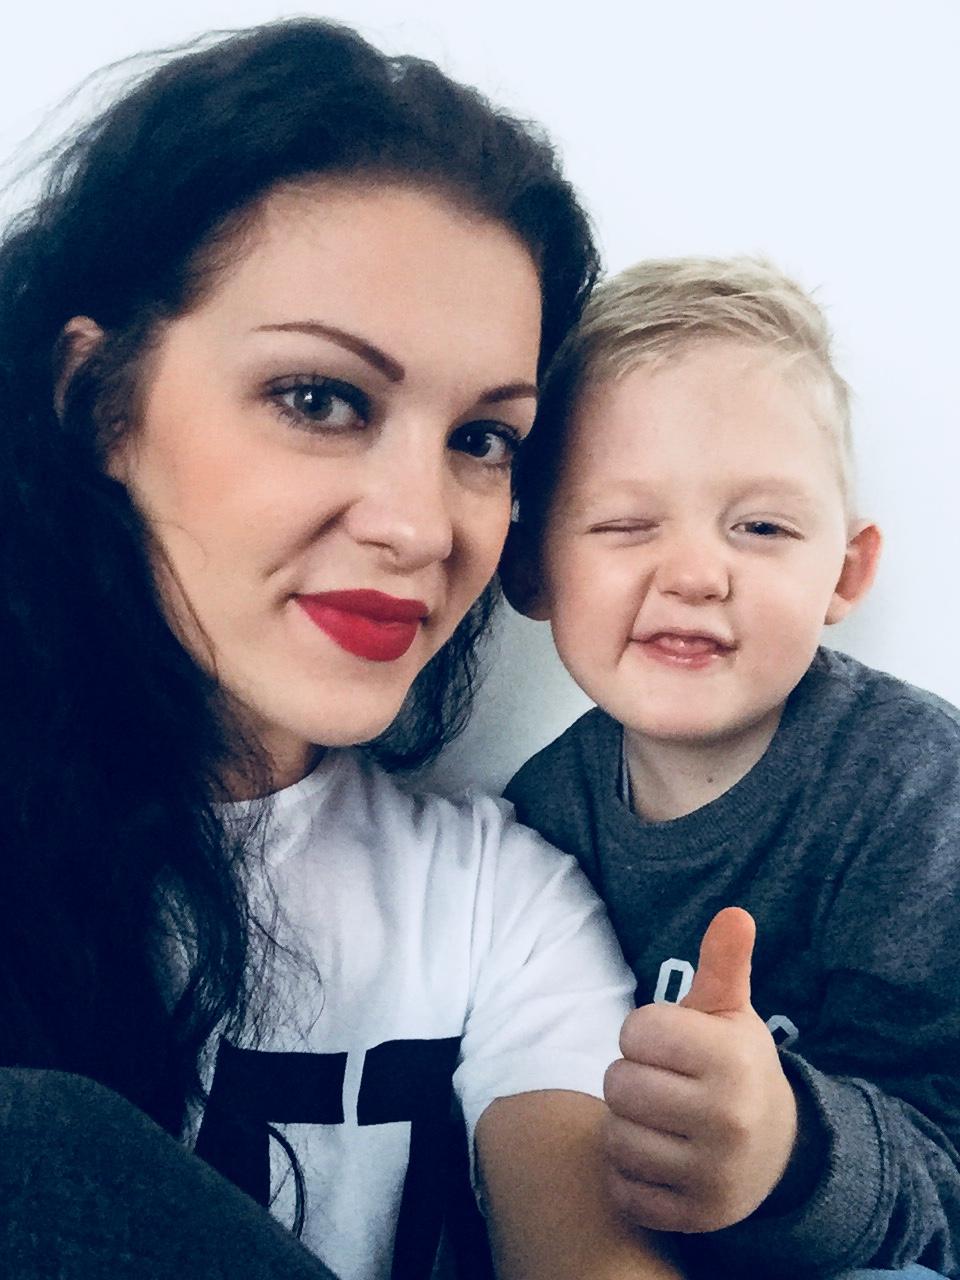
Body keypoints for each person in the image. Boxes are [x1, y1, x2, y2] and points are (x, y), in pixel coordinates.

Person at [0, 20, 685, 1280]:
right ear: (98, 399)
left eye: (483, 438)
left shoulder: (495, 907)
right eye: (320, 399)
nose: (423, 526)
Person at [502, 256, 960, 1280]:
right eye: (626, 523)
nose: (697, 573)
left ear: (845, 571)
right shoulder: (533, 821)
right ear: (529, 566)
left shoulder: (918, 793)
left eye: (761, 527)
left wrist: (791, 1153)